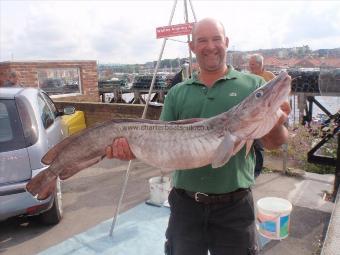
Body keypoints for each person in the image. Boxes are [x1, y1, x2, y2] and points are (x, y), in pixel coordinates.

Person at [106, 18, 290, 255]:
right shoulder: (177, 92)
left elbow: (275, 143)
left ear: (226, 42)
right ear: (192, 47)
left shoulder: (253, 85)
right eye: (202, 40)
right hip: (186, 208)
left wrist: (274, 120)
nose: (210, 46)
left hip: (235, 208)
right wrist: (130, 149)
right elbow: (164, 150)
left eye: (216, 39)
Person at [248, 54, 276, 178]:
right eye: (250, 64)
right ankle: (249, 169)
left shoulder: (270, 77)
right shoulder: (248, 77)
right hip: (250, 117)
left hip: (264, 117)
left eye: (252, 64)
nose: (250, 66)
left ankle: (256, 172)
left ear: (260, 65)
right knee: (249, 144)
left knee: (258, 145)